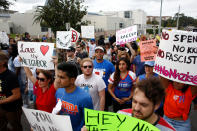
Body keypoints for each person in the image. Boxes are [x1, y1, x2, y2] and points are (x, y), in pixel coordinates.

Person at [55, 62, 93, 131]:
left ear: (72, 80)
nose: (58, 80)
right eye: (58, 76)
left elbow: (90, 121)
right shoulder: (59, 92)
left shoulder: (85, 98)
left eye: (62, 77)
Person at [0, 51, 23, 131]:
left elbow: (17, 95)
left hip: (12, 108)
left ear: (3, 63)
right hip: (2, 107)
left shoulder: (10, 76)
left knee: (15, 127)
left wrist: (1, 101)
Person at [93, 46, 115, 111]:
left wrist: (111, 87)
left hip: (105, 92)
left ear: (103, 53)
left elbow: (115, 75)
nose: (99, 54)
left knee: (104, 110)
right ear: (95, 53)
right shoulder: (91, 63)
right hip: (94, 91)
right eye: (97, 52)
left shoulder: (109, 64)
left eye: (101, 52)